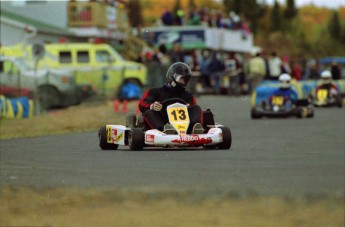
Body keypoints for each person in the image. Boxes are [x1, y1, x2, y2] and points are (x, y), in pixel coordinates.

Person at [138, 62, 204, 134]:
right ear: (172, 76)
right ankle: (165, 130)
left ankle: (195, 129)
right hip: (163, 122)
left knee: (197, 108)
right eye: (181, 78)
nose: (183, 82)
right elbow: (142, 104)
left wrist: (188, 106)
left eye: (185, 80)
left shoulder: (188, 95)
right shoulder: (155, 92)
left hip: (185, 125)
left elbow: (193, 106)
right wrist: (152, 106)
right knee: (149, 113)